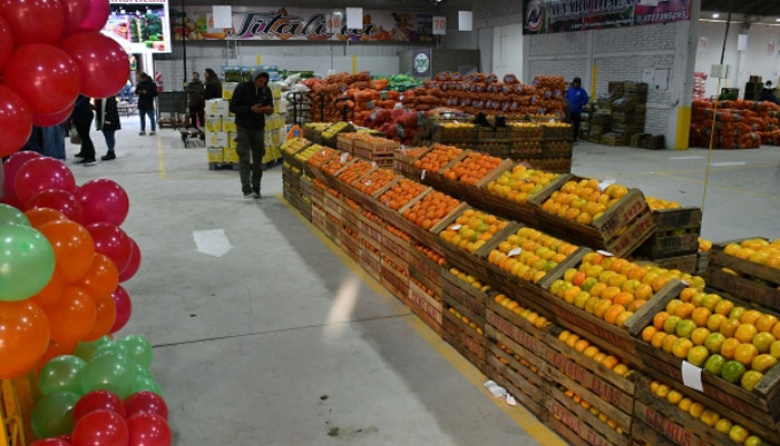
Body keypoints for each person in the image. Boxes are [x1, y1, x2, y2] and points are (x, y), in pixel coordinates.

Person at [229, 70, 274, 199]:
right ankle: (246, 189)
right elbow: (233, 107)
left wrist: (269, 110)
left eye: (264, 82)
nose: (262, 84)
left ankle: (256, 188)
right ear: (254, 79)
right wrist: (250, 109)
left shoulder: (266, 91)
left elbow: (271, 107)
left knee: (258, 159)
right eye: (260, 81)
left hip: (259, 128)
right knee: (244, 157)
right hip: (243, 127)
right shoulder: (242, 88)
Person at [71, 95, 96, 165]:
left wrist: (71, 107)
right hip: (82, 113)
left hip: (83, 114)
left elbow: (81, 101)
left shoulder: (82, 92)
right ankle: (85, 153)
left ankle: (90, 156)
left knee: (85, 136)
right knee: (83, 136)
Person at [96, 96, 121, 161]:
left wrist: (108, 120)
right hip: (103, 118)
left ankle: (111, 151)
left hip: (109, 119)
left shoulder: (110, 97)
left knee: (110, 135)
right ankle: (110, 150)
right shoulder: (101, 96)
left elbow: (111, 109)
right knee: (107, 135)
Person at [566, 77, 589, 142]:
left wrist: (579, 104)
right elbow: (567, 98)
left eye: (577, 83)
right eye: (575, 83)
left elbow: (585, 99)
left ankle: (575, 137)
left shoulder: (582, 91)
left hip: (577, 111)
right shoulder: (570, 90)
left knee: (576, 125)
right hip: (569, 111)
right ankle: (568, 136)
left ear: (579, 84)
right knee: (568, 124)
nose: (576, 84)